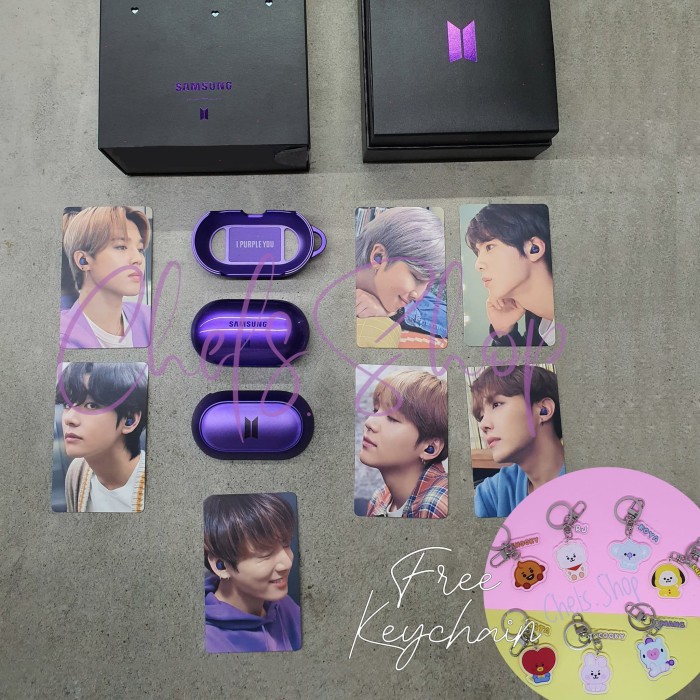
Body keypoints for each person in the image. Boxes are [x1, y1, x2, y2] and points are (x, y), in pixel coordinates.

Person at [203, 494, 301, 653]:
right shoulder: (209, 641)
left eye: (286, 544)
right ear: (221, 566)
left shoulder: (283, 605)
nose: (287, 563)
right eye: (265, 554)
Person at [470, 365, 565, 518]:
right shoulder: (492, 493)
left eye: (496, 405)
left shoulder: (590, 480)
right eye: (481, 416)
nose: (483, 425)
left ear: (544, 410)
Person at [57, 362, 148, 512]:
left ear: (129, 420)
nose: (69, 418)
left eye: (91, 405)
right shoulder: (77, 472)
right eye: (67, 404)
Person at [360, 370, 448, 518]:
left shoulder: (438, 504)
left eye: (392, 418)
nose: (369, 422)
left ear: (430, 447)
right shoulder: (379, 499)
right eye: (375, 410)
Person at [60, 206, 151, 349]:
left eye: (140, 249)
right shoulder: (61, 338)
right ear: (83, 261)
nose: (138, 259)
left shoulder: (149, 318)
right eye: (121, 247)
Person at [466, 204, 554, 346]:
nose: (478, 265)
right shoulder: (538, 326)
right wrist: (503, 333)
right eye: (478, 252)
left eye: (489, 247)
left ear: (534, 249)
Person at [355, 207, 446, 345]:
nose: (418, 296)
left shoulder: (399, 292)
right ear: (378, 257)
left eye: (428, 283)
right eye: (417, 277)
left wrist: (393, 313)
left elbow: (450, 318)